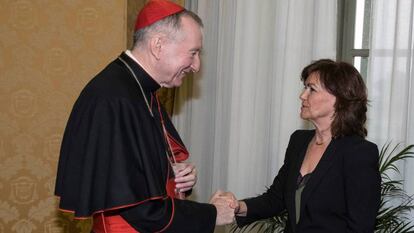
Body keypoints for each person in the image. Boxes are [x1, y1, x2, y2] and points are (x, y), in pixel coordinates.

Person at [54, 1, 235, 232]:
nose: (197, 66)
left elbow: (135, 175)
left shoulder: (137, 89)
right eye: (193, 53)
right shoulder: (114, 99)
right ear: (158, 45)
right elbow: (141, 211)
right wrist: (212, 214)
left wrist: (170, 174)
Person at [229, 59, 381, 232]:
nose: (302, 95)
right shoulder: (299, 140)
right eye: (305, 87)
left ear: (339, 100)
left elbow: (360, 227)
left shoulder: (359, 153)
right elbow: (275, 199)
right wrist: (238, 206)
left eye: (312, 89)